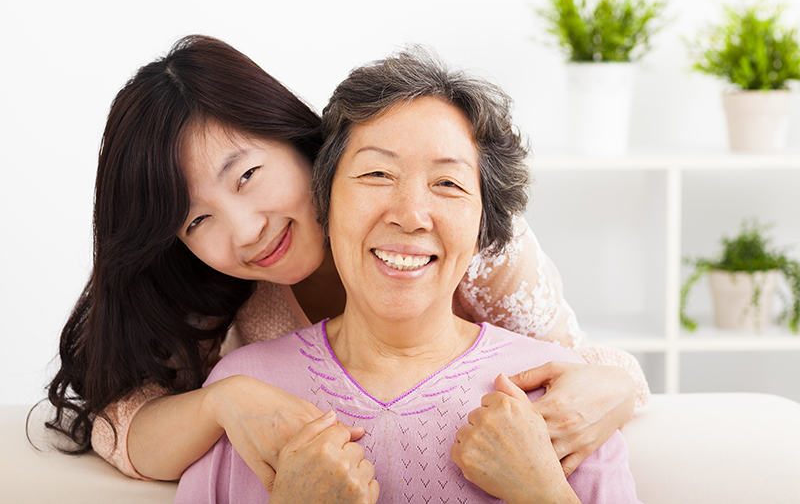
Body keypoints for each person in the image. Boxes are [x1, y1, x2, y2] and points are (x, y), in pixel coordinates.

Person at [46, 35, 648, 487]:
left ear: (297, 139)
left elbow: (566, 361)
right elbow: (123, 423)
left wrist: (615, 386)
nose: (247, 230)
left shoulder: (474, 237)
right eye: (196, 220)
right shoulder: (223, 297)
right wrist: (222, 399)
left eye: (249, 175)